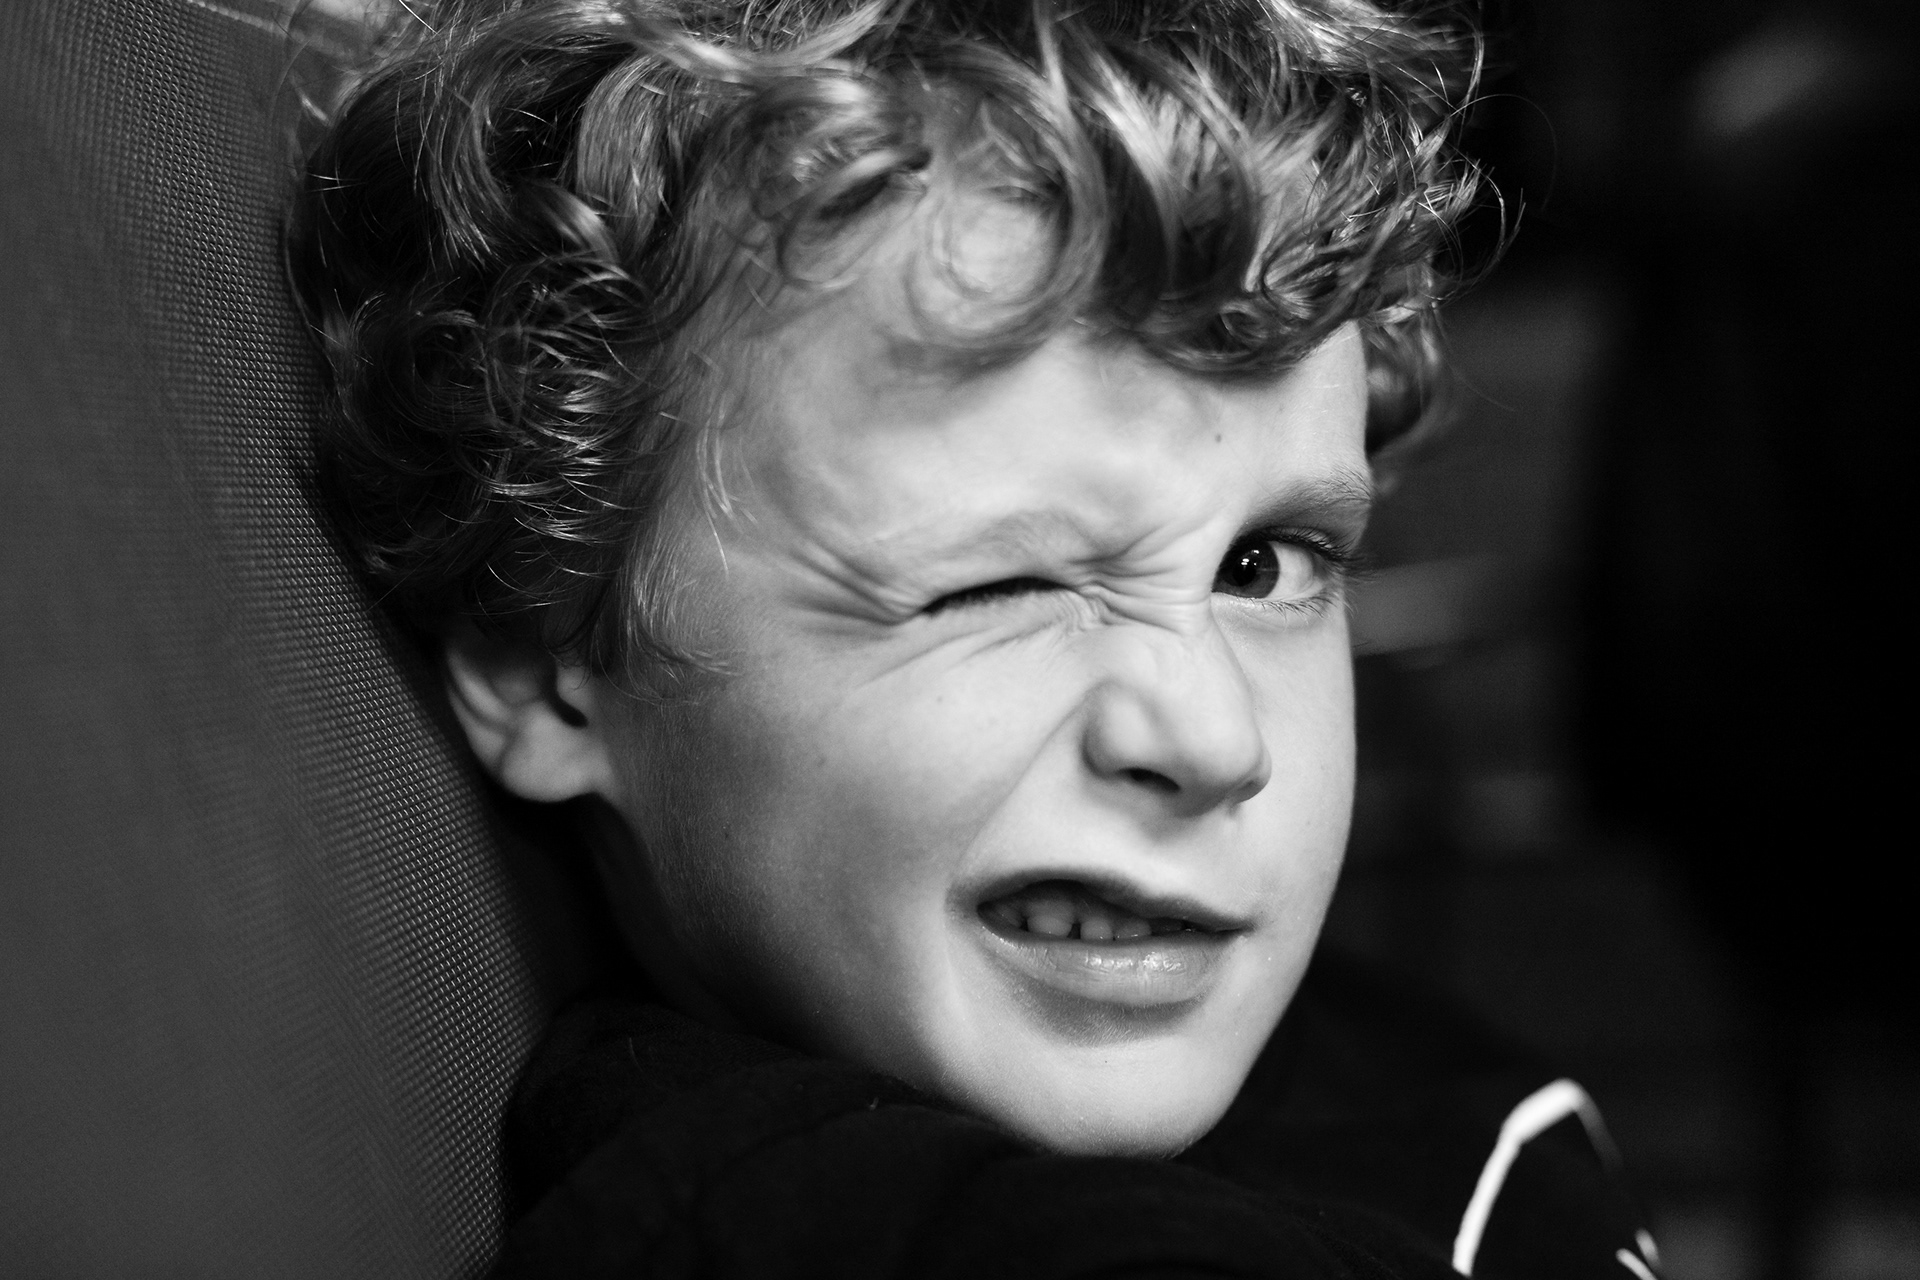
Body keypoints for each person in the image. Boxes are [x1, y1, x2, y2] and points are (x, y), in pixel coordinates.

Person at [288, 0, 1656, 1274]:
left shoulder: (1387, 1066)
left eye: (1264, 565)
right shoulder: (836, 1229)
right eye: (1000, 583)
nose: (1214, 737)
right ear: (543, 657)